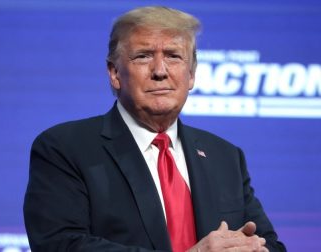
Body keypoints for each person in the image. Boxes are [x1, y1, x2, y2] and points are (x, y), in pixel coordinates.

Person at [23, 6, 286, 252]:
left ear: (191, 74)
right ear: (115, 73)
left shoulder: (225, 156)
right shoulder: (65, 147)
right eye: (143, 56)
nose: (160, 71)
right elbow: (60, 244)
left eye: (173, 56)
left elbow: (270, 244)